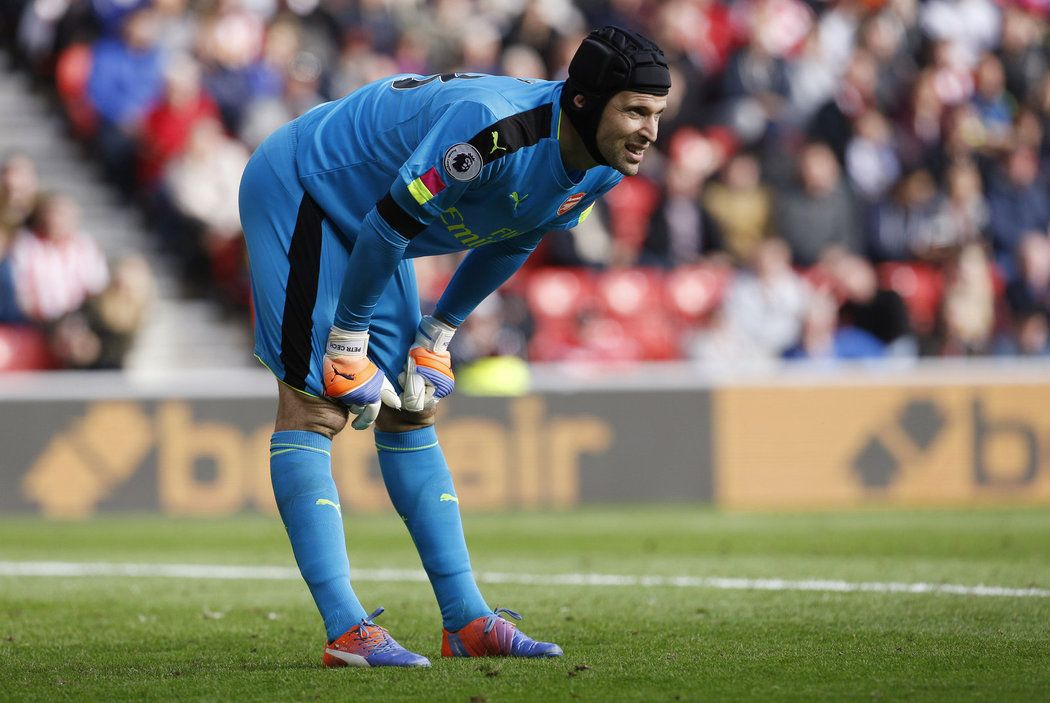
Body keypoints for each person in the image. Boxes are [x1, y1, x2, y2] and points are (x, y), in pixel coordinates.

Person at [238, 26, 670, 668]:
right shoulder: (490, 128)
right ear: (585, 102)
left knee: (411, 409)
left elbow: (516, 236)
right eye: (636, 111)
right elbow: (388, 223)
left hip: (379, 225)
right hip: (308, 189)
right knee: (316, 405)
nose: (650, 132)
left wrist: (438, 333)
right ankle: (345, 630)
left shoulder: (602, 167)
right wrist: (347, 339)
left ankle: (466, 621)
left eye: (657, 113)